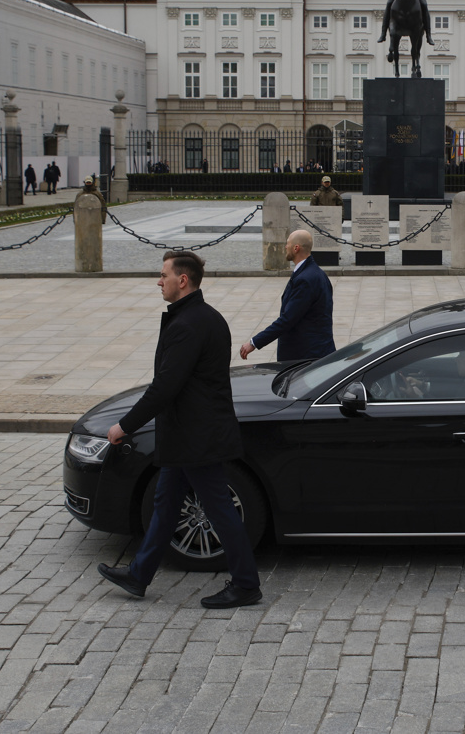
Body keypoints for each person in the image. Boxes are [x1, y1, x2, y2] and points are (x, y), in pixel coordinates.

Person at [97, 251, 263, 610]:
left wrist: (125, 425)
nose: (159, 281)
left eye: (163, 275)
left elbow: (164, 387)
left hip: (196, 438)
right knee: (166, 505)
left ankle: (247, 584)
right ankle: (139, 575)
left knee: (219, 509)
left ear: (182, 280)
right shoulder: (205, 317)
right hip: (189, 435)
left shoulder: (188, 325)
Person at [240, 229, 335, 362]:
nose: (285, 247)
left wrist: (254, 342)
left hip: (306, 355)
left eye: (288, 243)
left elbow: (287, 320)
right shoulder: (315, 273)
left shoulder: (305, 280)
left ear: (296, 248)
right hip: (314, 351)